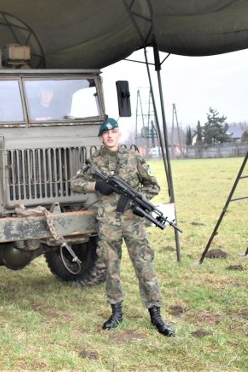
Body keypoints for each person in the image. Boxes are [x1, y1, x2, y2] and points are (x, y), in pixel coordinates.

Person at [71, 118, 175, 337]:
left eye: (114, 132)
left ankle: (156, 314)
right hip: (109, 223)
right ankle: (116, 312)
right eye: (105, 133)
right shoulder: (95, 160)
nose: (110, 136)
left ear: (119, 134)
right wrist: (96, 185)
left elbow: (153, 185)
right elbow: (75, 183)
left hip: (133, 221)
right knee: (110, 267)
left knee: (144, 265)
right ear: (101, 137)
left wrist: (138, 202)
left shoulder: (133, 157)